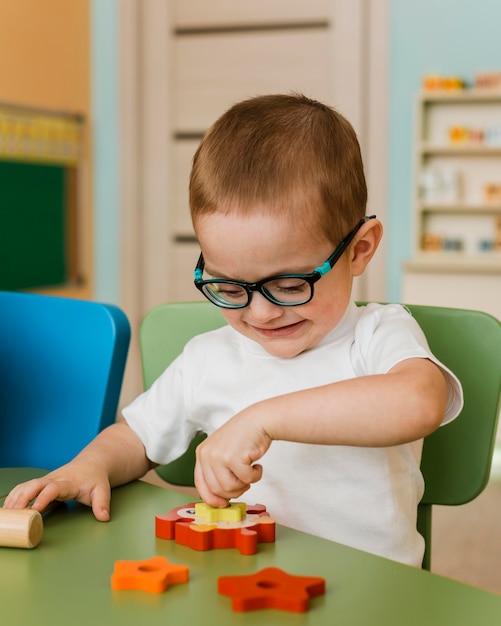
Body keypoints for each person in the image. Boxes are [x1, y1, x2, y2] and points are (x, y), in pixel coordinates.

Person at [4, 93, 463, 567]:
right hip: (239, 586)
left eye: (288, 284)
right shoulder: (208, 357)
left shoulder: (377, 335)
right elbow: (136, 437)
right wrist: (90, 465)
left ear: (360, 250)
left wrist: (262, 418)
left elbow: (419, 401)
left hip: (372, 596)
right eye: (228, 285)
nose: (261, 314)